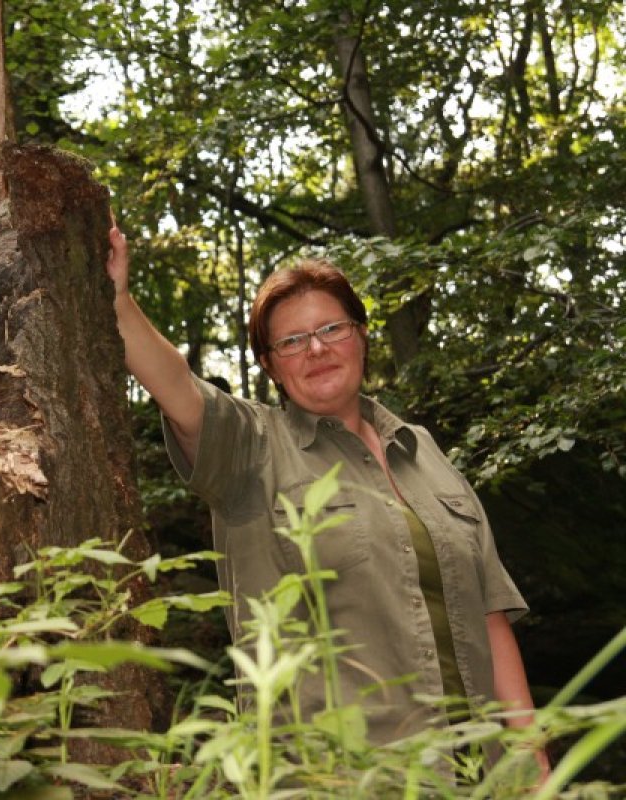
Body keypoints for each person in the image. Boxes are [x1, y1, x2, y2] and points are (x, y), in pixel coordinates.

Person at [106, 222, 547, 761]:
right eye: (291, 341)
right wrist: (118, 300)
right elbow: (176, 385)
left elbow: (489, 616)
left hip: (480, 776)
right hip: (339, 778)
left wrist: (533, 764)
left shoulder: (424, 451)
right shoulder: (252, 448)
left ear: (361, 335)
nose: (315, 349)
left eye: (332, 329)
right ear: (269, 365)